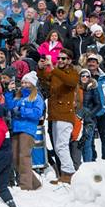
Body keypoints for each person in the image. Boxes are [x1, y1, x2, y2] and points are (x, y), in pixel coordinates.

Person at [38, 48, 81, 183]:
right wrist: (41, 68)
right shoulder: (57, 73)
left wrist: (53, 68)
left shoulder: (73, 73)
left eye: (63, 58)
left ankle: (70, 174)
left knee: (62, 146)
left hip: (65, 115)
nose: (60, 61)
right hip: (54, 114)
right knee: (58, 147)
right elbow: (45, 78)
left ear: (69, 60)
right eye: (59, 58)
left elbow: (71, 82)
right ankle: (65, 174)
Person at [5, 70, 44, 190]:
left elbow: (38, 113)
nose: (24, 85)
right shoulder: (19, 96)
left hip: (28, 129)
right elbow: (9, 106)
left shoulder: (37, 97)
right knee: (15, 158)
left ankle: (25, 185)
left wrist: (22, 111)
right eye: (22, 82)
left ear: (33, 84)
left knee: (24, 156)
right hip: (16, 128)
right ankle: (35, 183)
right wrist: (9, 92)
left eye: (27, 82)